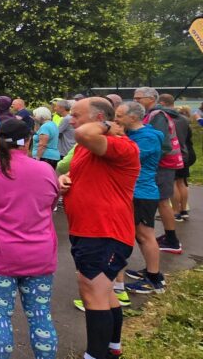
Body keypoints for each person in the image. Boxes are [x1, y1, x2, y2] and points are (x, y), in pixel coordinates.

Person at [0, 118, 59, 359]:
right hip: (40, 256)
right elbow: (51, 204)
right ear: (28, 141)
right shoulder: (45, 170)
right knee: (40, 315)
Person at [59, 98, 138, 359]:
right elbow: (79, 169)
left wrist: (105, 126)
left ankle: (95, 354)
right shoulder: (88, 147)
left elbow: (83, 132)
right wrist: (64, 179)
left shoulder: (120, 145)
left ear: (99, 118)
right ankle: (113, 347)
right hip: (87, 231)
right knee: (103, 292)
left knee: (92, 292)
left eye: (76, 115)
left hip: (104, 232)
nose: (72, 120)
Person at [112, 102, 166, 295]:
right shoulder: (135, 134)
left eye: (119, 115)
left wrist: (117, 136)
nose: (115, 119)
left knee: (145, 235)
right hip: (133, 191)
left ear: (132, 118)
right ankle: (151, 272)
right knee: (139, 235)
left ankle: (154, 278)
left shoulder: (148, 138)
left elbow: (127, 157)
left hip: (141, 193)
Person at [134, 87, 183, 254]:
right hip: (162, 164)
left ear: (151, 98)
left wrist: (150, 160)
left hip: (162, 165)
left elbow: (162, 144)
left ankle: (172, 240)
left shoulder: (157, 116)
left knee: (163, 201)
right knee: (162, 201)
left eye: (138, 98)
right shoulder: (153, 114)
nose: (136, 101)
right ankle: (169, 236)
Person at [173, 104, 194, 221]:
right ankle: (184, 209)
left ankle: (176, 211)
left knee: (173, 183)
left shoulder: (172, 123)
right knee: (182, 182)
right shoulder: (186, 124)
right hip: (186, 154)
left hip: (176, 155)